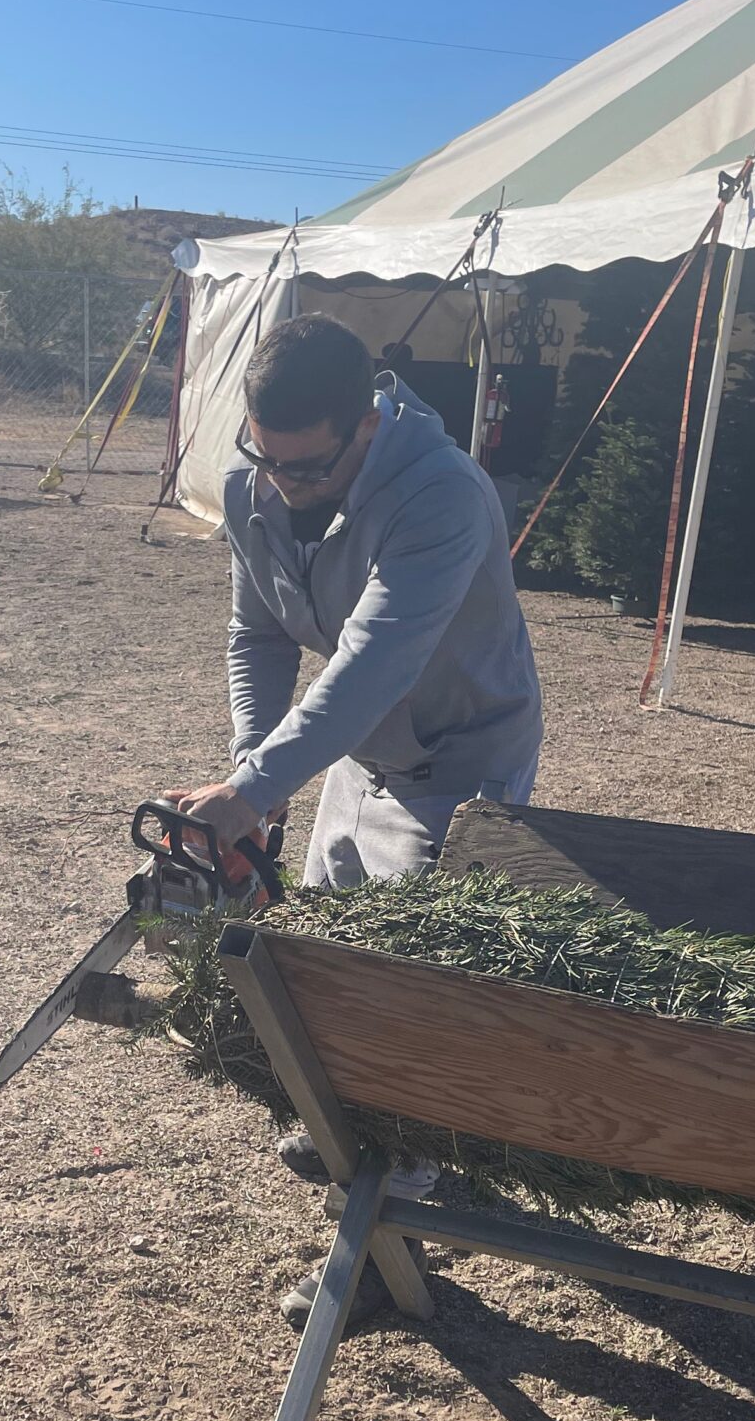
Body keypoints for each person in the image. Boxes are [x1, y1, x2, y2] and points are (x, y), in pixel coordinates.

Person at [170, 313, 543, 1326]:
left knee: (402, 997)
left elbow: (375, 663)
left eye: (306, 466)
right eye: (265, 457)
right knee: (325, 959)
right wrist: (259, 773)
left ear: (368, 424)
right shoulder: (255, 485)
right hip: (355, 749)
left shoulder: (443, 494)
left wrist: (255, 790)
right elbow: (257, 636)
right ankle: (351, 1124)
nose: (281, 482)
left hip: (459, 759)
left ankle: (386, 1236)